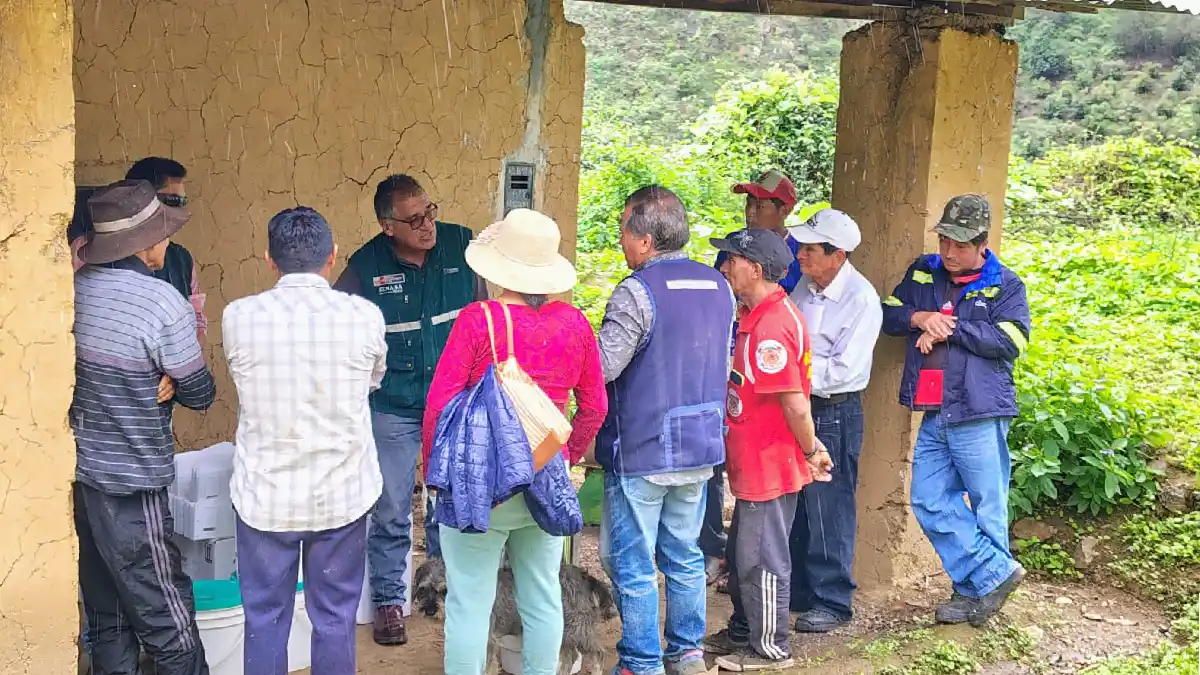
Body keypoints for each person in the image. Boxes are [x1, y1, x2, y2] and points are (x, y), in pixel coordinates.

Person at [421, 208, 607, 675]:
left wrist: (433, 475)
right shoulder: (576, 324)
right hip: (546, 478)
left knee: (468, 601)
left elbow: (439, 406)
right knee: (542, 594)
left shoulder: (478, 320)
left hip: (482, 485)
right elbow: (596, 406)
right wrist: (566, 458)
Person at [223, 207, 387, 675]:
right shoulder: (364, 316)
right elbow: (373, 379)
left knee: (264, 619)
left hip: (264, 497)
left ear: (269, 260)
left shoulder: (239, 317)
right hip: (342, 493)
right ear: (332, 257)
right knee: (335, 619)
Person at [71, 179, 217, 675]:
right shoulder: (160, 303)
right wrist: (174, 383)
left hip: (85, 479)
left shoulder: (74, 289)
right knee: (168, 618)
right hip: (134, 485)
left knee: (107, 615)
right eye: (164, 233)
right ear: (146, 242)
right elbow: (201, 392)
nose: (169, 242)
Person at [333, 174, 487, 645]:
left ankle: (442, 591)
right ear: (388, 226)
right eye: (414, 219)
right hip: (393, 407)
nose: (427, 226)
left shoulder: (462, 246)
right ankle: (388, 601)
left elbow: (483, 315)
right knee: (392, 507)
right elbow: (338, 328)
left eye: (430, 212)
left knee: (450, 500)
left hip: (453, 402)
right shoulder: (364, 267)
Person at [594, 186, 735, 675]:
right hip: (700, 445)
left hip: (644, 448)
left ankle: (640, 662)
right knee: (683, 554)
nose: (620, 243)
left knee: (631, 564)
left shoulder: (637, 291)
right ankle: (686, 653)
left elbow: (605, 365)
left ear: (646, 240)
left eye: (623, 232)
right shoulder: (720, 287)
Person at [881, 194, 1031, 627]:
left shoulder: (1005, 283)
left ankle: (974, 595)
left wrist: (951, 328)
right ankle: (993, 575)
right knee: (927, 498)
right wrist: (921, 318)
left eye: (960, 244)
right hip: (935, 410)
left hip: (980, 411)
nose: (949, 251)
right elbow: (889, 313)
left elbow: (1012, 342)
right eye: (945, 240)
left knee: (988, 506)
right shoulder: (923, 271)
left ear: (982, 243)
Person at [702, 229, 832, 672]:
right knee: (744, 552)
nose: (724, 267)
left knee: (763, 559)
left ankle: (771, 649)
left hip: (768, 464)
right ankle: (743, 632)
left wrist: (812, 449)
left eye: (732, 260)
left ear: (755, 269)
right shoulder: (756, 314)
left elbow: (794, 403)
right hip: (753, 460)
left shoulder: (774, 325)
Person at [706, 169, 804, 590]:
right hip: (734, 376)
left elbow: (792, 396)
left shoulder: (797, 255)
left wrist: (811, 445)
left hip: (773, 385)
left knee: (768, 513)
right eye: (748, 203)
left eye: (761, 204)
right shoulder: (734, 251)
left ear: (786, 210)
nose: (750, 211)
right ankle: (722, 556)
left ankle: (768, 617)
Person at [786, 209, 882, 633]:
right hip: (800, 406)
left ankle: (834, 600)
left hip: (834, 409)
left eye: (809, 249)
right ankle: (802, 590)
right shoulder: (804, 289)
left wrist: (793, 374)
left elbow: (845, 368)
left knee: (830, 505)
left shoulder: (861, 299)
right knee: (799, 503)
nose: (801, 255)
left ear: (837, 255)